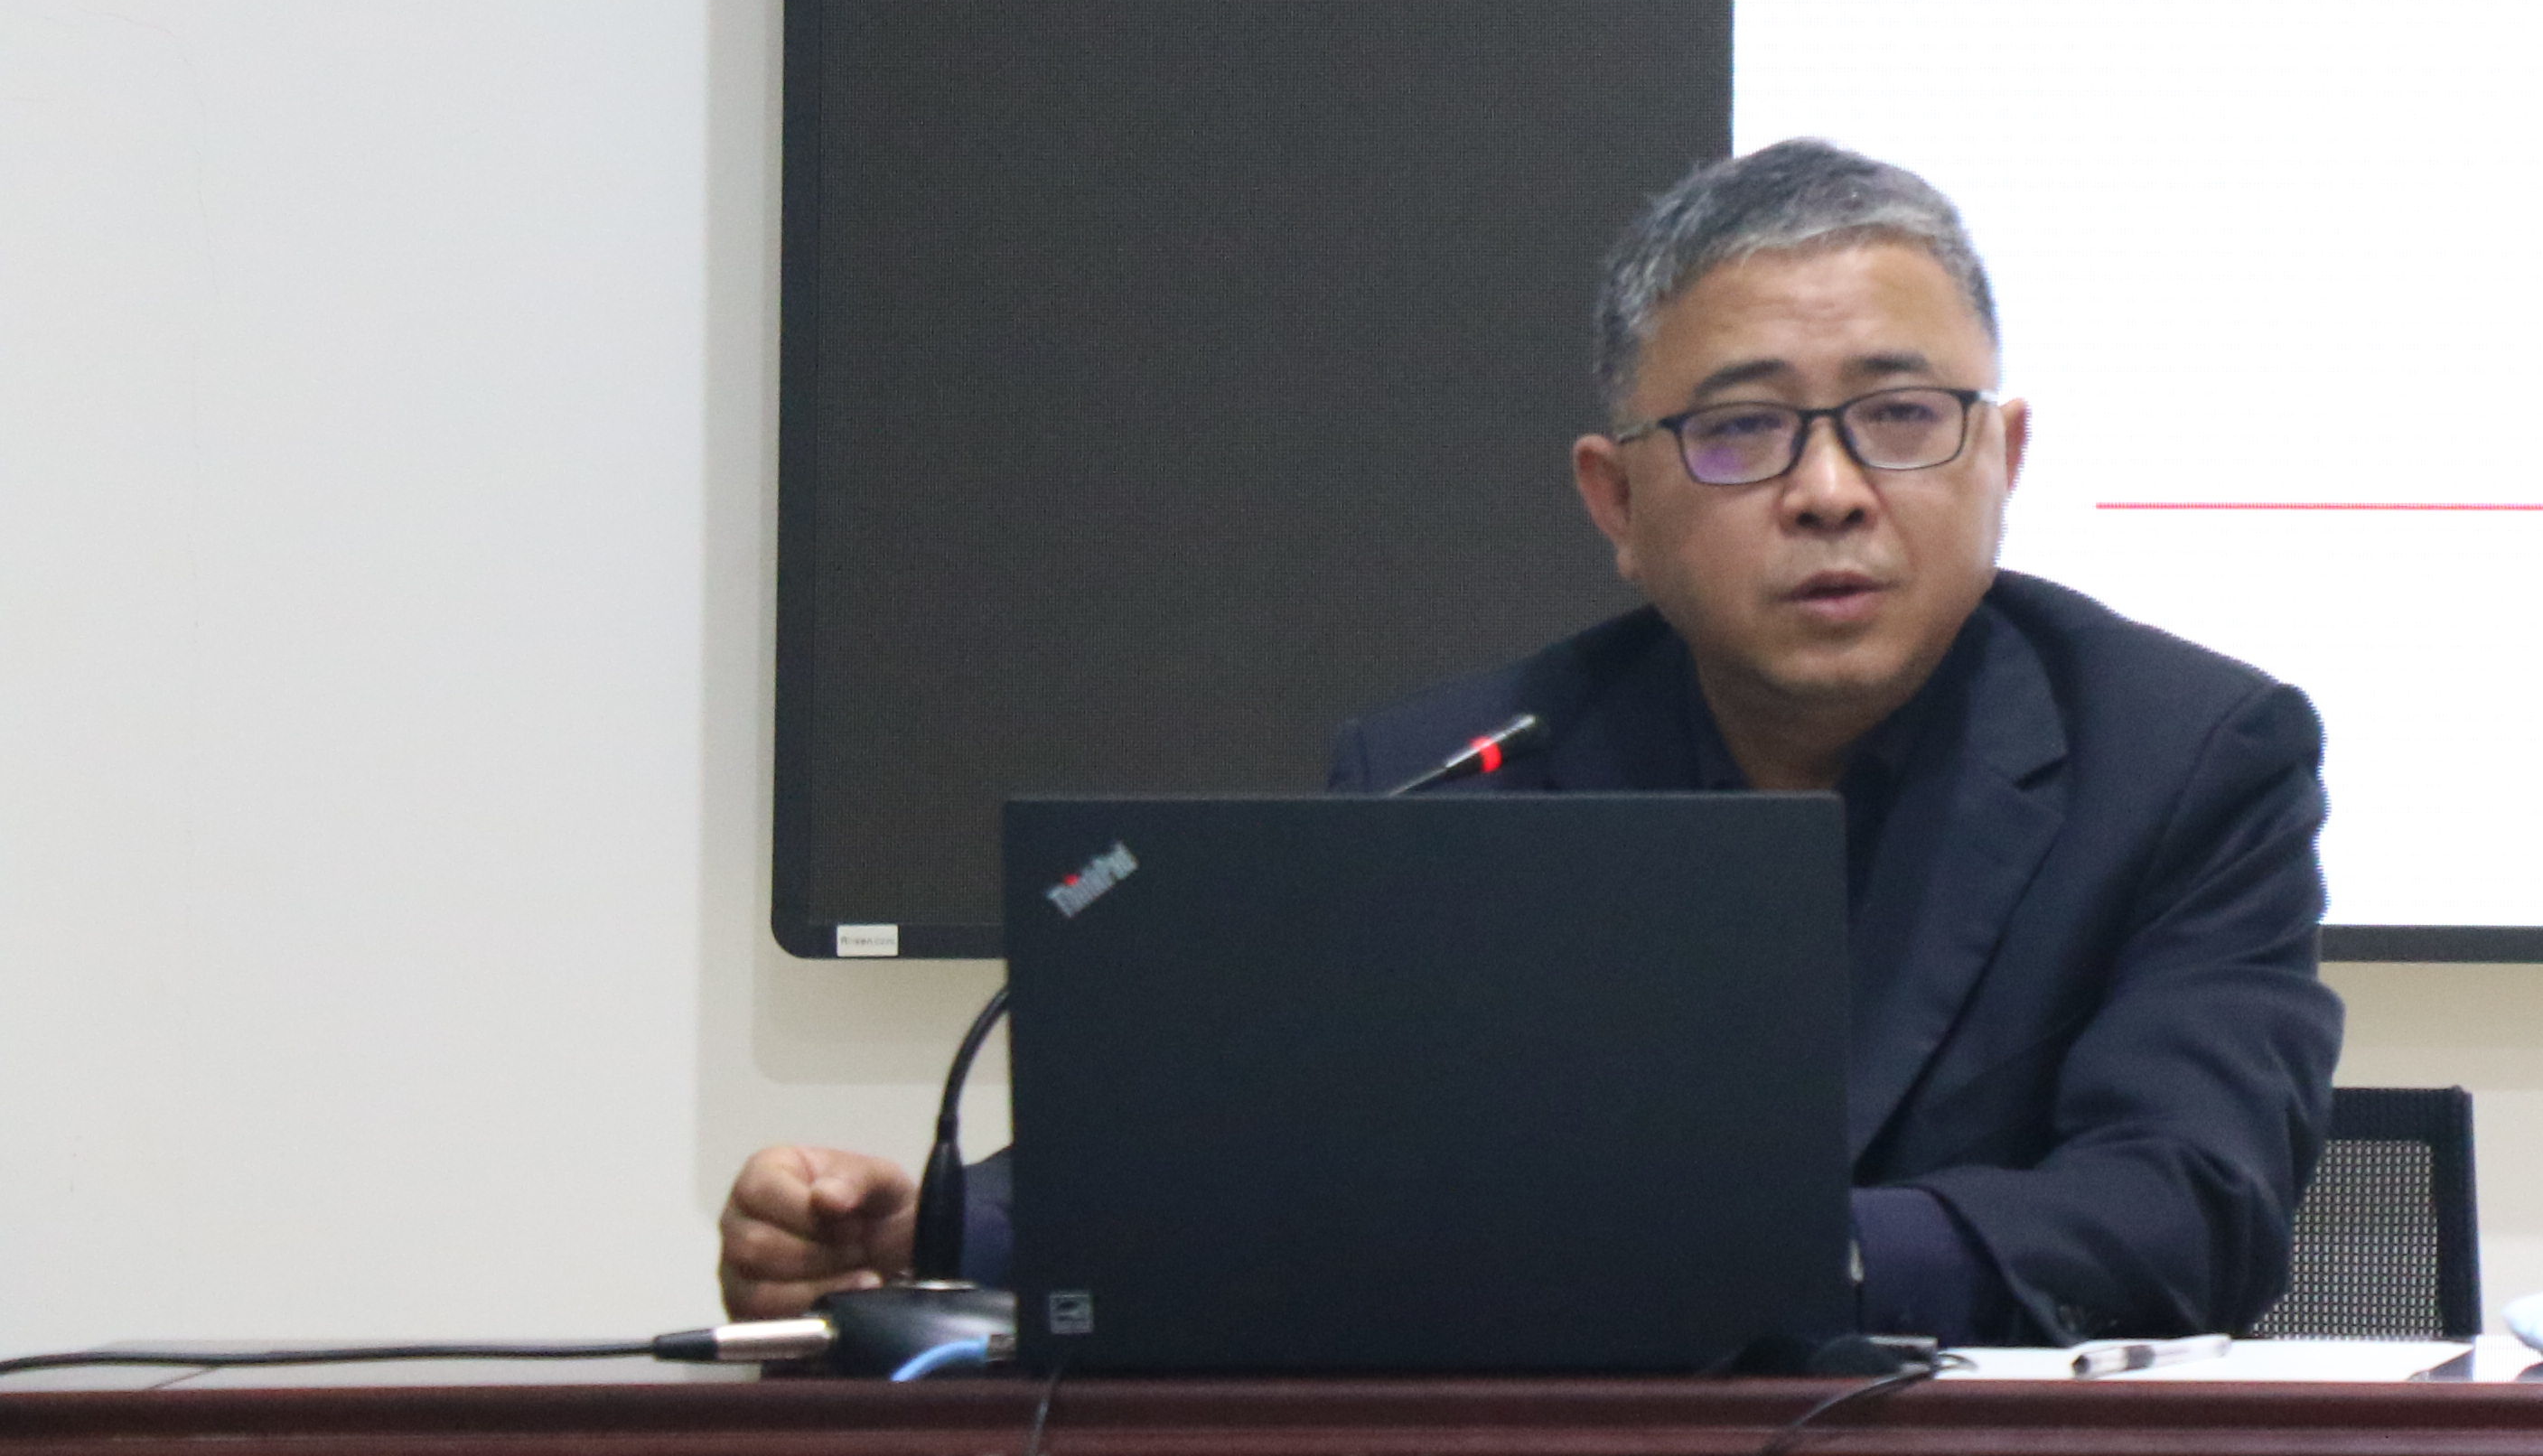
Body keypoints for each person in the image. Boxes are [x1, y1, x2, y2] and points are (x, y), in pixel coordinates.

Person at [718, 140, 2342, 1346]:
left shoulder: (2188, 758)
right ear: (1615, 501)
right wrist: (933, 1235)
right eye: (1743, 430)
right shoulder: (1460, 769)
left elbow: (2186, 1211)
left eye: (1903, 418)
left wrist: (1779, 1265)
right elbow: (1258, 1148)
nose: (1832, 491)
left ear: (2005, 457)